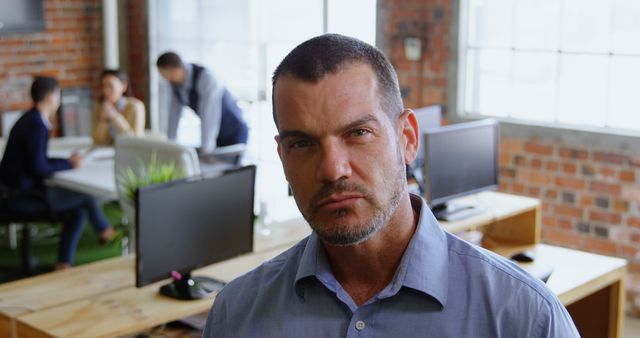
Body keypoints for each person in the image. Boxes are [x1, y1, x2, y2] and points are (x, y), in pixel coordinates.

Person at [203, 34, 579, 337]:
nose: (333, 170)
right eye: (302, 144)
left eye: (358, 133)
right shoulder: (237, 315)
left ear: (408, 138)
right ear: (282, 156)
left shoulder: (524, 317)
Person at [0, 76, 118, 270]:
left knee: (79, 209)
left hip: (18, 190)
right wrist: (69, 165)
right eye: (58, 95)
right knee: (86, 197)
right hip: (20, 197)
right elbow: (38, 168)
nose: (59, 100)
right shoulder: (36, 125)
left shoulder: (31, 119)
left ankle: (64, 263)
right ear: (50, 97)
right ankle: (104, 232)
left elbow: (38, 160)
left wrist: (66, 162)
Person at [156, 52, 248, 154]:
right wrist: (170, 146)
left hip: (235, 131)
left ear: (174, 71)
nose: (164, 79)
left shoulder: (206, 79)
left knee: (232, 169)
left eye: (164, 75)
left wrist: (206, 149)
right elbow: (173, 116)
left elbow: (209, 116)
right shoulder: (176, 86)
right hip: (217, 135)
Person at [92, 69, 145, 145]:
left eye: (110, 86)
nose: (105, 91)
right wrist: (103, 120)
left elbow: (135, 140)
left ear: (123, 86)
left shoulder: (135, 107)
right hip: (106, 152)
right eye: (103, 86)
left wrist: (115, 117)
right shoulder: (100, 106)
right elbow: (97, 141)